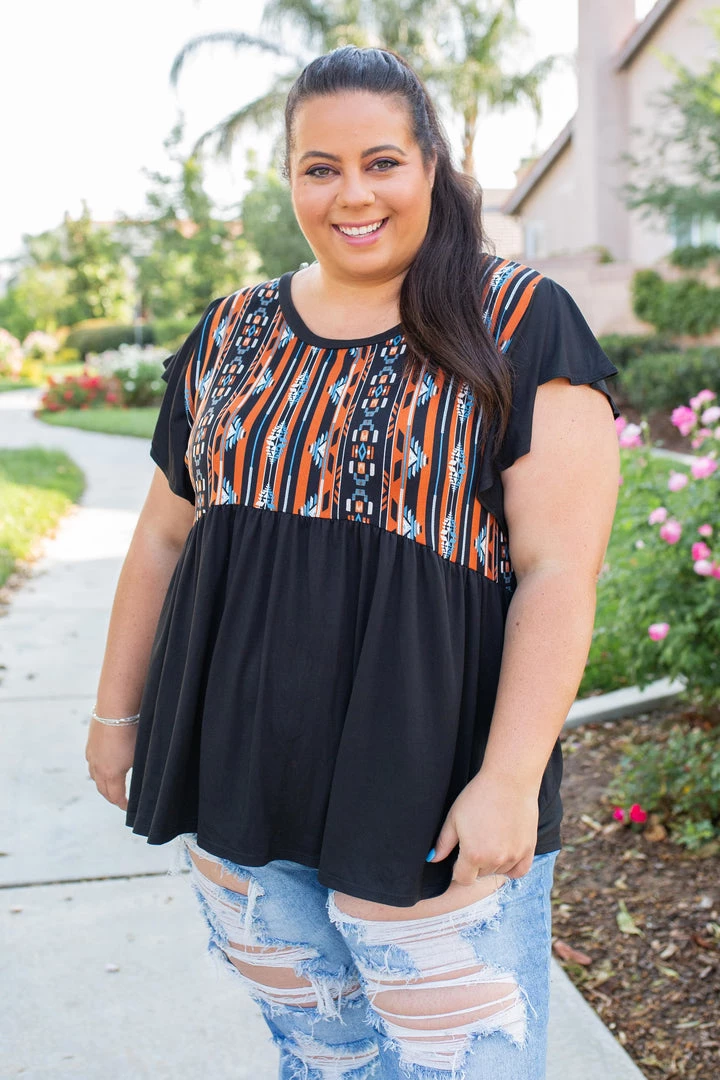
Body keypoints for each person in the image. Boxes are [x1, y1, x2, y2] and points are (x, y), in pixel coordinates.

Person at [86, 44, 620, 1080]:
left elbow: (560, 571)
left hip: (428, 791)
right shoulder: (229, 332)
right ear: (291, 180)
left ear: (431, 167)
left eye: (382, 162)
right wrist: (117, 717)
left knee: (461, 1066)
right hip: (239, 782)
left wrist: (509, 781)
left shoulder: (518, 321)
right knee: (322, 1060)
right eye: (319, 168)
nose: (352, 195)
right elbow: (162, 535)